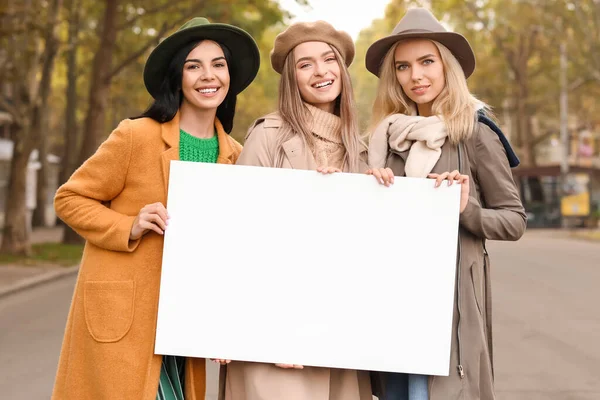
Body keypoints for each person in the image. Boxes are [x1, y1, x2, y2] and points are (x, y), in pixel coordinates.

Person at [51, 17, 260, 400]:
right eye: (193, 65)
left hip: (186, 322)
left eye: (218, 64)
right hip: (127, 320)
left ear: (230, 77)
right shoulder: (136, 136)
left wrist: (225, 323)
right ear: (176, 77)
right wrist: (128, 225)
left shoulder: (237, 156)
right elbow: (69, 198)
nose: (207, 75)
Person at [364, 8, 527, 400]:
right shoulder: (385, 138)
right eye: (403, 66)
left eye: (426, 62)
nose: (415, 76)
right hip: (393, 292)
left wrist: (465, 209)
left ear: (445, 66)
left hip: (448, 299)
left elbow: (514, 220)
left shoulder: (476, 131)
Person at [217, 21, 372, 400]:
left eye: (328, 59)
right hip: (274, 338)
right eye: (305, 65)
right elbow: (239, 235)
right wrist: (275, 330)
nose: (320, 72)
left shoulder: (363, 150)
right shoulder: (268, 135)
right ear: (292, 79)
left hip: (336, 336)